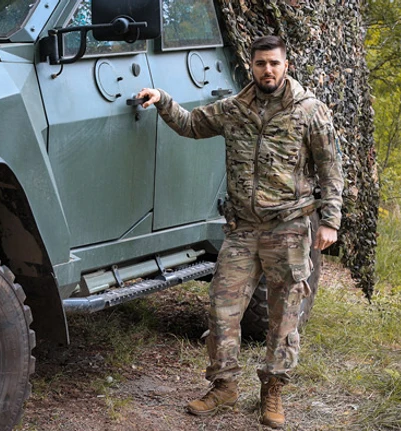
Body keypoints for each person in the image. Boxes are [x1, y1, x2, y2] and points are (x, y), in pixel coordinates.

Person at [136, 35, 343, 429]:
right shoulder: (235, 110)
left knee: (284, 315)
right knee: (221, 308)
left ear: (287, 66)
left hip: (289, 228)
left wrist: (330, 221)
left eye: (275, 63)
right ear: (251, 65)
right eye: (261, 63)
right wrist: (161, 99)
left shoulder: (310, 112)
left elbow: (331, 169)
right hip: (243, 230)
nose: (268, 70)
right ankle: (224, 385)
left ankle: (273, 391)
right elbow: (192, 124)